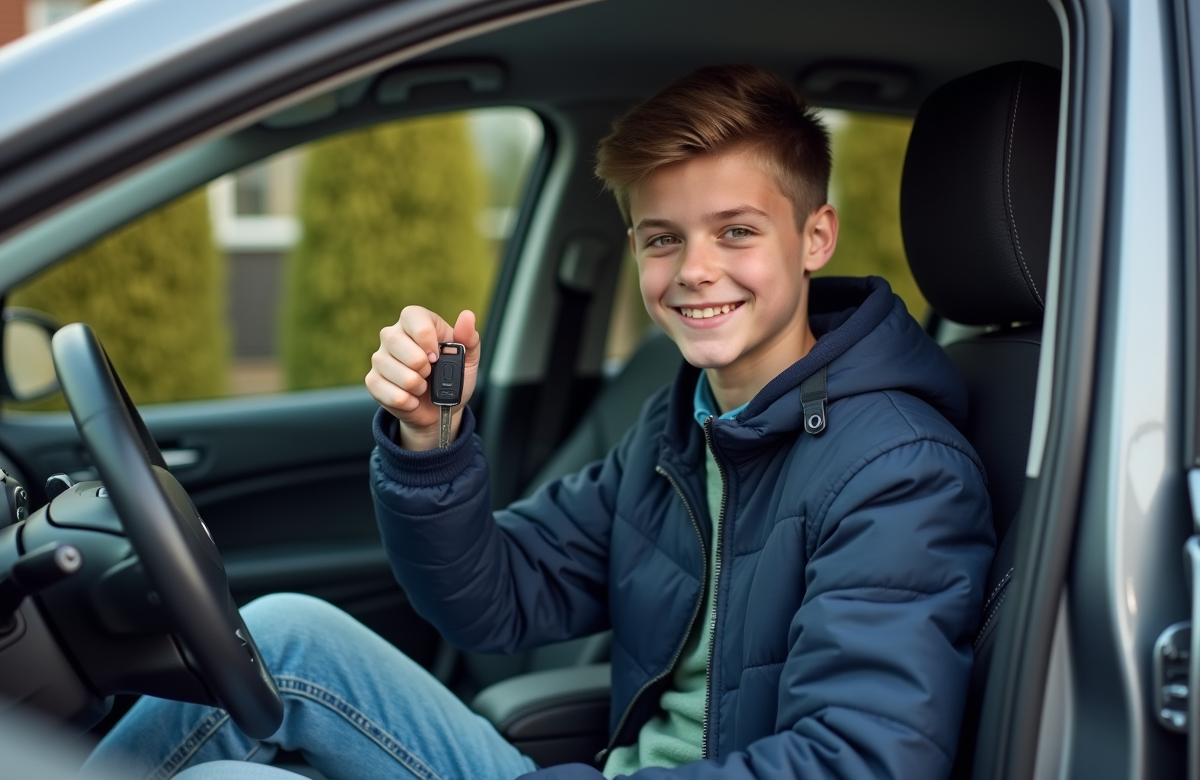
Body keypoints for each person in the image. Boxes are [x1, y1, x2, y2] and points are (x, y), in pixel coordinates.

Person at [86, 64, 995, 780]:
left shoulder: (900, 469)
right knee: (285, 630)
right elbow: (498, 593)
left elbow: (861, 761)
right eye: (661, 238)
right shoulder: (682, 427)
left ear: (817, 237)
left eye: (737, 232)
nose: (694, 271)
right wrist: (430, 446)